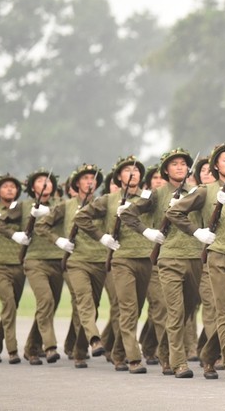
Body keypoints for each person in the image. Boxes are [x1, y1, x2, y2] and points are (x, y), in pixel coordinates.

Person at [166, 143, 225, 382]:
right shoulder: (205, 191)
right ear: (216, 165)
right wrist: (197, 232)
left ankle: (208, 353)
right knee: (224, 312)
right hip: (219, 256)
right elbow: (174, 213)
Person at [121, 148, 198, 378]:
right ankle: (179, 362)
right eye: (174, 164)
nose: (179, 167)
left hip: (194, 257)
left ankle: (165, 352)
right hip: (169, 257)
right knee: (173, 311)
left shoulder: (196, 193)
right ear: (166, 170)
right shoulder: (156, 194)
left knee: (186, 312)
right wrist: (147, 232)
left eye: (183, 164)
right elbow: (127, 214)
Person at [74, 155, 153, 374]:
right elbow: (81, 218)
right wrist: (101, 237)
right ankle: (133, 358)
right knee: (127, 309)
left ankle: (118, 353)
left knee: (136, 310)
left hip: (145, 258)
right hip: (122, 260)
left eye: (136, 171)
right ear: (119, 176)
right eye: (127, 170)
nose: (133, 173)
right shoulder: (109, 200)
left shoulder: (148, 199)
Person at [35, 163, 106, 368]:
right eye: (85, 178)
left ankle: (80, 350)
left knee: (93, 306)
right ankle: (94, 339)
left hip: (99, 261)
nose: (89, 181)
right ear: (77, 183)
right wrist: (58, 241)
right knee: (84, 302)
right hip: (76, 261)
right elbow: (42, 225)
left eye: (92, 178)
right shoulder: (66, 206)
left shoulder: (102, 204)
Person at [20, 169, 62, 365]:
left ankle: (31, 348)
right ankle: (50, 345)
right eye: (40, 181)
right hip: (35, 260)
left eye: (48, 181)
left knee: (50, 306)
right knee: (45, 301)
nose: (45, 184)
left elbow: (71, 213)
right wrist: (16, 235)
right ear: (32, 186)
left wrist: (47, 211)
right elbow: (2, 217)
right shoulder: (23, 206)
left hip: (57, 260)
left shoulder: (60, 204)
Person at [0, 173, 28, 364]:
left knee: (12, 307)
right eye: (5, 186)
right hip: (0, 265)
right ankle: (12, 350)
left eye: (13, 186)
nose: (10, 189)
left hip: (19, 265)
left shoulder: (22, 210)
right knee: (8, 304)